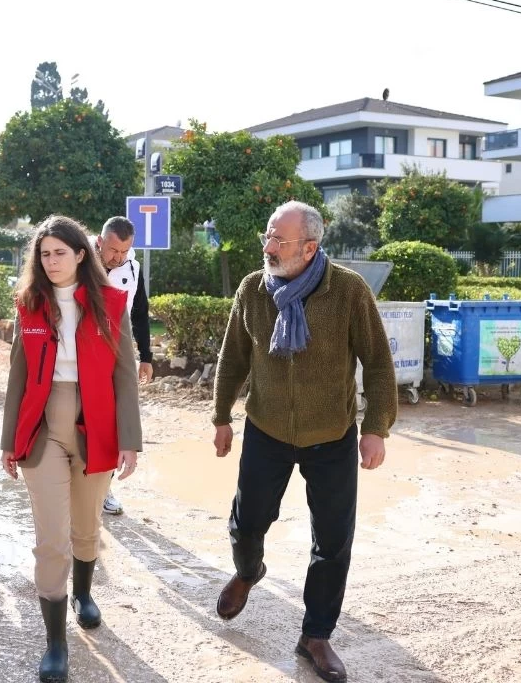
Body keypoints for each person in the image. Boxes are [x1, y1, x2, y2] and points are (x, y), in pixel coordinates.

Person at [210, 201, 397, 683]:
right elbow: (233, 358)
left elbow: (377, 363)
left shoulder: (348, 291)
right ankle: (249, 571)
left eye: (280, 240)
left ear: (310, 247)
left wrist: (376, 427)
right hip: (266, 429)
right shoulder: (254, 289)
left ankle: (316, 635)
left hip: (331, 434)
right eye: (267, 237)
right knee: (247, 520)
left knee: (333, 541)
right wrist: (221, 417)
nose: (269, 247)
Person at [0, 215, 143, 683]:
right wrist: (8, 442)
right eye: (44, 253)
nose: (52, 260)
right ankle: (56, 642)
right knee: (51, 538)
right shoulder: (30, 304)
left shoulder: (111, 302)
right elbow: (18, 374)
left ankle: (84, 594)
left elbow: (125, 372)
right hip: (43, 428)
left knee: (87, 525)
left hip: (96, 422)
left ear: (82, 254)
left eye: (61, 251)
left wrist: (130, 440)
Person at [91, 216, 155, 517]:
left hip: (117, 355)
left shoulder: (133, 268)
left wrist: (146, 356)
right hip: (81, 354)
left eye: (125, 251)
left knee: (113, 423)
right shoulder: (78, 261)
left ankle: (104, 489)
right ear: (100, 242)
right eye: (113, 250)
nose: (118, 258)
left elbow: (140, 313)